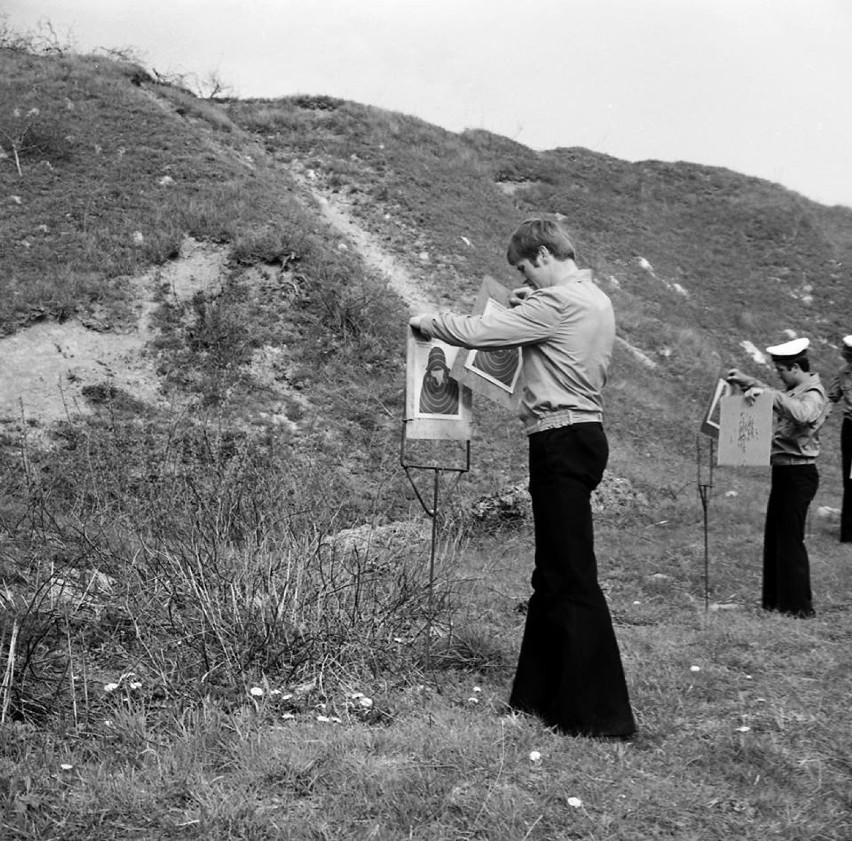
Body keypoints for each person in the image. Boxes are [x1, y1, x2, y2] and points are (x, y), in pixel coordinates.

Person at [409, 217, 636, 738]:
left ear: (541, 254)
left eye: (525, 270)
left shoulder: (558, 304)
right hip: (576, 434)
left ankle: (599, 715)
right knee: (552, 575)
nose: (524, 280)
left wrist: (430, 321)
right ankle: (537, 696)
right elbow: (537, 319)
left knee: (572, 577)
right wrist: (527, 298)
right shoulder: (592, 297)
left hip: (560, 437)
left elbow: (481, 333)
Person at [726, 338, 830, 617]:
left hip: (799, 472)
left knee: (790, 541)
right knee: (776, 538)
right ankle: (775, 601)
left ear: (796, 367)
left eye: (782, 371)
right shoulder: (795, 389)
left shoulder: (813, 393)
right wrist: (751, 384)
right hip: (784, 470)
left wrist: (765, 392)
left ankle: (798, 608)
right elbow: (779, 397)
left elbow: (803, 414)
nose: (779, 377)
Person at [827, 335, 852, 543]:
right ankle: (848, 533)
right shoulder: (843, 372)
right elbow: (831, 397)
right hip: (850, 428)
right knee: (850, 480)